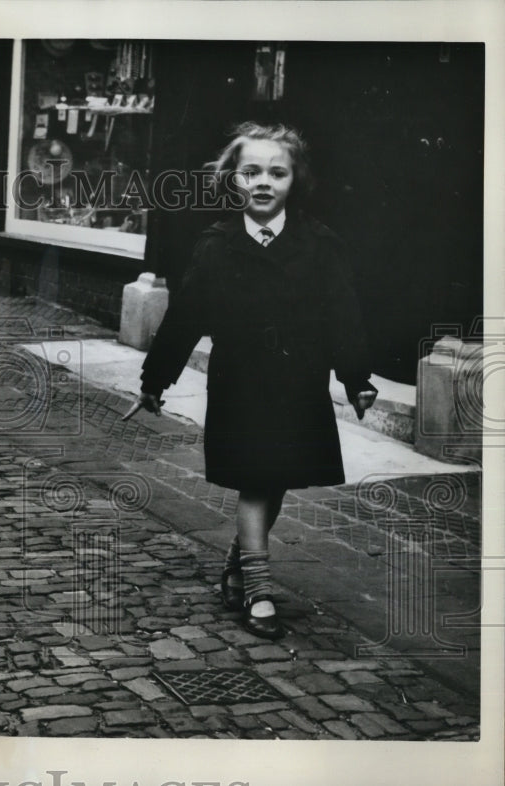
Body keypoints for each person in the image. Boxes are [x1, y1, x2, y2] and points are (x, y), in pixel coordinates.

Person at [134, 121, 378, 639]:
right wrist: (156, 378)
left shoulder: (319, 244)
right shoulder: (216, 245)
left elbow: (344, 315)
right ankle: (259, 590)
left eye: (277, 172)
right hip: (239, 381)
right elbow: (185, 319)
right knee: (254, 479)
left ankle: (239, 561)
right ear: (233, 180)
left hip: (298, 381)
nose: (263, 182)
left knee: (278, 477)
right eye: (251, 172)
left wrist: (357, 378)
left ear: (296, 181)